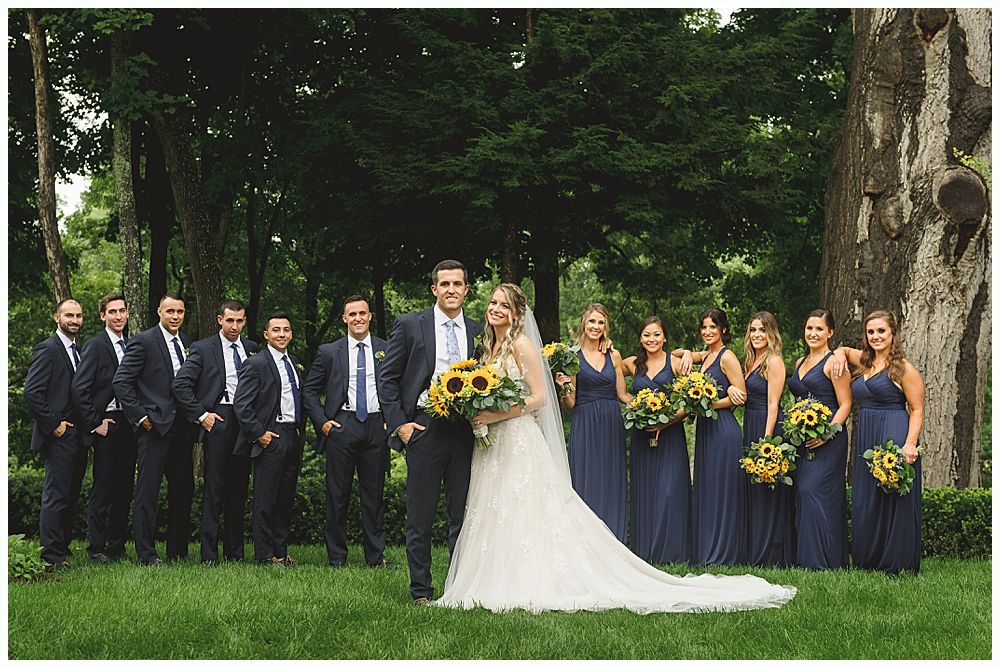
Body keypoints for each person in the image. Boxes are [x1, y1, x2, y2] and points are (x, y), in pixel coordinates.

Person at [435, 283, 796, 613]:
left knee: (531, 505)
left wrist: (492, 415)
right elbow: (564, 395)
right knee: (502, 506)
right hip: (498, 441)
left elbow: (540, 398)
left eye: (504, 304)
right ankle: (496, 574)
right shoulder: (488, 347)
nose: (495, 308)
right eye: (493, 302)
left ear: (516, 313)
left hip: (518, 433)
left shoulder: (522, 344)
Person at [379, 259, 483, 605]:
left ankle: (457, 588)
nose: (452, 290)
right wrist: (401, 425)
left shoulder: (477, 330)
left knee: (463, 514)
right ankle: (421, 590)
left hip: (465, 430)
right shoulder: (410, 325)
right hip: (424, 427)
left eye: (458, 284)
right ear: (434, 289)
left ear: (466, 290)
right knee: (420, 516)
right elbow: (388, 379)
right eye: (445, 284)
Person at [302, 295, 393, 569]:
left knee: (374, 496)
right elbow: (309, 390)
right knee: (337, 495)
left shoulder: (386, 349)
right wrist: (323, 422)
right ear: (344, 318)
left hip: (377, 426)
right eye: (352, 314)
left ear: (370, 316)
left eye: (362, 313)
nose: (358, 318)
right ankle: (337, 558)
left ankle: (376, 558)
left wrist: (393, 419)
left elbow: (397, 386)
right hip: (342, 425)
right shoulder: (329, 352)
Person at [832, 311, 924, 574]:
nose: (875, 337)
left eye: (881, 331)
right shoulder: (863, 361)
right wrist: (838, 354)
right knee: (867, 497)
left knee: (893, 497)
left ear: (892, 333)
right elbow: (842, 350)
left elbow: (916, 409)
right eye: (871, 332)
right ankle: (868, 559)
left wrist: (910, 444)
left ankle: (896, 563)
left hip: (894, 432)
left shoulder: (903, 368)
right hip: (866, 437)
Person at [171, 299, 259, 564]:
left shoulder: (253, 349)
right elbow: (180, 385)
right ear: (219, 319)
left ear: (244, 321)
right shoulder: (202, 348)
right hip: (218, 419)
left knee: (239, 488)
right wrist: (201, 415)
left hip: (245, 421)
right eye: (229, 320)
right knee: (214, 489)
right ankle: (209, 555)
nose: (235, 326)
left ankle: (235, 553)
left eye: (239, 320)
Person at [112, 293, 195, 566]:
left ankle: (177, 551)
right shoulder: (143, 341)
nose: (175, 316)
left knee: (183, 490)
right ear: (159, 312)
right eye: (170, 311)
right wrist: (140, 418)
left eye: (180, 312)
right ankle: (146, 555)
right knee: (147, 493)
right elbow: (121, 382)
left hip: (182, 429)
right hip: (153, 429)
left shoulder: (185, 343)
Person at [233, 311, 305, 567]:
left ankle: (281, 553)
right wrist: (260, 434)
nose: (282, 334)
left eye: (286, 330)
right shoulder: (256, 363)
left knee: (285, 498)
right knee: (266, 499)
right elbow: (242, 405)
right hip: (270, 436)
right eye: (276, 330)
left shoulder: (294, 362)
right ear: (266, 335)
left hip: (291, 434)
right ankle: (264, 555)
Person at [557, 303, 631, 543]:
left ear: (605, 327)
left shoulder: (614, 354)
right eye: (592, 321)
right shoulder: (572, 356)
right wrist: (565, 385)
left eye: (601, 322)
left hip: (611, 422)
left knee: (611, 479)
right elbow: (571, 403)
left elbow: (623, 394)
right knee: (586, 478)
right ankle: (585, 541)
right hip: (585, 422)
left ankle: (614, 539)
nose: (596, 327)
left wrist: (651, 405)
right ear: (584, 324)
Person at [71, 294, 137, 564]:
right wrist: (94, 423)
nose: (118, 316)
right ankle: (96, 548)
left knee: (124, 487)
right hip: (106, 422)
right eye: (112, 312)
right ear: (103, 316)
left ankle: (117, 545)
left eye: (122, 311)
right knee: (104, 487)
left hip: (129, 423)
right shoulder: (96, 345)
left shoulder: (132, 346)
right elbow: (79, 387)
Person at [24, 299, 88, 570]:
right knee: (56, 495)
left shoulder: (79, 350)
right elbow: (32, 392)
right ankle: (51, 556)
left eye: (78, 316)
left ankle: (61, 546)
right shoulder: (48, 349)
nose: (74, 320)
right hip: (59, 434)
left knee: (71, 493)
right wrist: (54, 425)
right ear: (57, 318)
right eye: (69, 316)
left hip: (79, 434)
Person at [621, 317, 690, 564]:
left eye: (657, 334)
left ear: (665, 338)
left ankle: (672, 553)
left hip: (670, 436)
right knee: (645, 491)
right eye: (647, 335)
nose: (652, 339)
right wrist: (637, 408)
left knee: (669, 492)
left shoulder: (675, 363)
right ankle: (644, 552)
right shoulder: (631, 363)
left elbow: (686, 402)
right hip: (642, 437)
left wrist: (665, 422)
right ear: (640, 338)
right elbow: (612, 382)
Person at [786, 309, 852, 569]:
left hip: (829, 437)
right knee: (801, 494)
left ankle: (825, 560)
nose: (813, 333)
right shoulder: (799, 363)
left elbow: (846, 404)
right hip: (803, 437)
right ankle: (807, 559)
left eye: (819, 329)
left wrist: (826, 434)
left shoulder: (834, 363)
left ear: (830, 333)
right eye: (809, 328)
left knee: (813, 490)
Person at [685, 308, 748, 566]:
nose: (708, 332)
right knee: (708, 489)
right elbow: (679, 354)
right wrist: (689, 353)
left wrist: (708, 406)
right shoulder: (707, 356)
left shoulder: (727, 356)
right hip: (706, 430)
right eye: (704, 327)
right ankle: (707, 549)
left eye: (713, 327)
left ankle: (725, 552)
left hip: (723, 431)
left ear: (723, 329)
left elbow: (741, 395)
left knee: (723, 491)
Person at [739, 311, 794, 566]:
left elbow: (774, 404)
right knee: (755, 490)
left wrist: (767, 442)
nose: (757, 335)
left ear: (771, 333)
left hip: (767, 426)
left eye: (762, 330)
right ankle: (754, 548)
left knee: (768, 489)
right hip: (751, 422)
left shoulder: (773, 361)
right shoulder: (751, 361)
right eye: (753, 330)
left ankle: (771, 553)